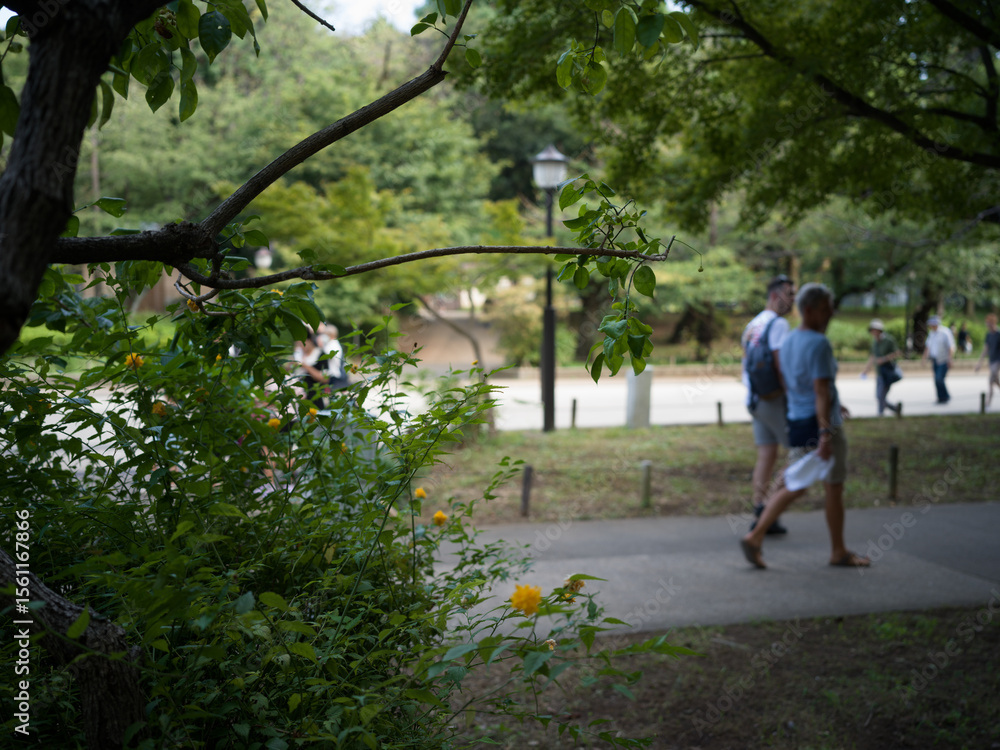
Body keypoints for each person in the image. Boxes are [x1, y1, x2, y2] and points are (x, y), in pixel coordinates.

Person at [740, 282, 870, 569]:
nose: (831, 314)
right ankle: (758, 535)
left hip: (798, 421)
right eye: (826, 309)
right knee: (819, 486)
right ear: (809, 310)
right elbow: (820, 390)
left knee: (795, 480)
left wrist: (833, 404)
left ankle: (761, 534)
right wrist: (825, 432)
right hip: (821, 426)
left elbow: (799, 384)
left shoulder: (789, 342)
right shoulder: (819, 343)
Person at [741, 275, 796, 534]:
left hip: (754, 400)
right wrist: (793, 396)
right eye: (789, 294)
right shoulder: (779, 324)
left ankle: (760, 508)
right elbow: (780, 363)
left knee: (767, 454)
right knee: (800, 452)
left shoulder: (753, 324)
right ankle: (771, 509)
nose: (792, 300)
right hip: (774, 399)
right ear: (775, 296)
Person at [860, 319, 902, 416]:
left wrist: (884, 359)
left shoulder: (889, 340)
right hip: (879, 373)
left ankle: (880, 414)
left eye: (875, 330)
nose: (873, 332)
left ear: (880, 330)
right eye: (872, 330)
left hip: (887, 372)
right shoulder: (874, 342)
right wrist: (866, 370)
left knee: (881, 395)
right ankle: (895, 408)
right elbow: (872, 357)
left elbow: (897, 353)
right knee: (879, 396)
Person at [922, 315, 955, 404]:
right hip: (935, 360)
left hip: (944, 359)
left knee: (939, 378)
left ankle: (945, 396)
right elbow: (928, 347)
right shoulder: (931, 333)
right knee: (936, 379)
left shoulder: (945, 332)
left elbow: (951, 347)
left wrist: (950, 359)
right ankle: (941, 397)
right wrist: (924, 358)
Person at [975, 313, 1000, 408]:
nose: (987, 325)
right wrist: (979, 363)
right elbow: (985, 349)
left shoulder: (998, 334)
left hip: (998, 361)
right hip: (992, 360)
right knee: (995, 380)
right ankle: (988, 402)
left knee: (991, 380)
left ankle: (988, 402)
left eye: (988, 323)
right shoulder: (988, 335)